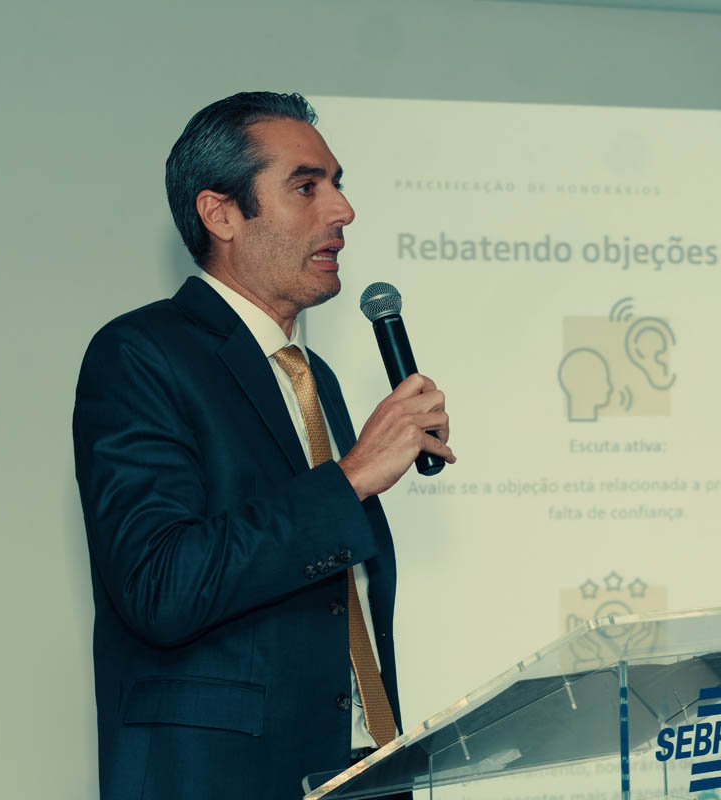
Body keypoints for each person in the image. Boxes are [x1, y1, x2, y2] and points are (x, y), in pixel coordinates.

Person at [72, 91, 455, 800]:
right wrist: (350, 479)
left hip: (358, 772)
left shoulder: (314, 377)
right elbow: (160, 586)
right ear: (221, 214)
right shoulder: (140, 354)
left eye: (337, 184)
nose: (343, 211)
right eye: (307, 187)